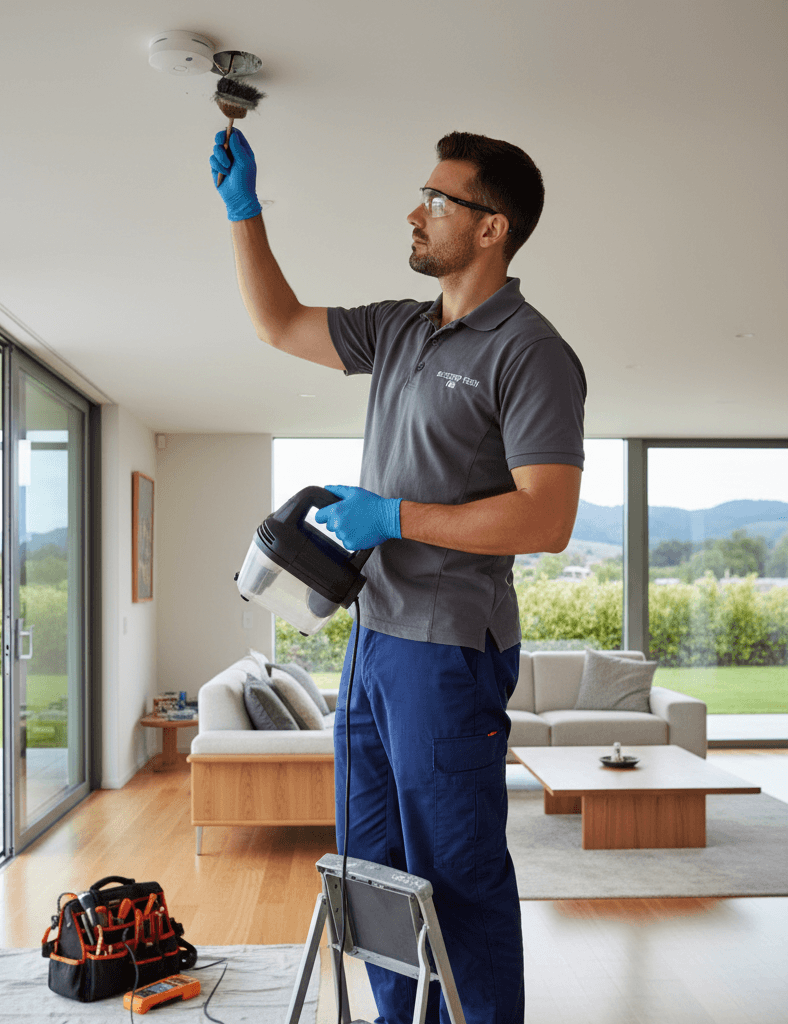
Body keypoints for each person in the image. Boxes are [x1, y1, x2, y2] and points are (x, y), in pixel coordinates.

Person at [210, 128, 586, 1024]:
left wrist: (396, 516)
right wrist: (243, 211)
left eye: (438, 200)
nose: (415, 213)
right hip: (375, 639)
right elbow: (276, 323)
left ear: (491, 228)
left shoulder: (531, 351)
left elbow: (548, 516)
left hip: (450, 650)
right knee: (372, 861)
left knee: (457, 870)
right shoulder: (403, 327)